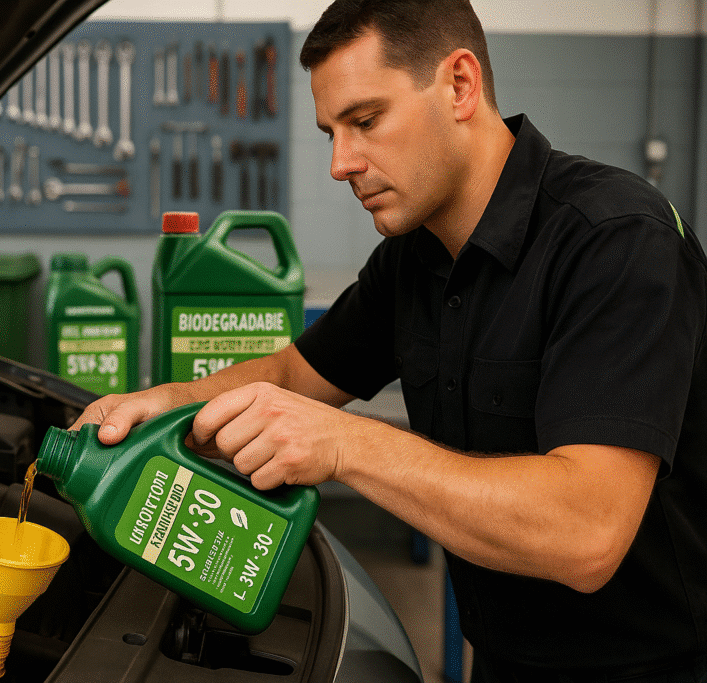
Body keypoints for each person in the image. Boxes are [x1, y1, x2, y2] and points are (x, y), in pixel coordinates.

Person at [72, 0, 707, 680]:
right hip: (503, 660)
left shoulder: (614, 240)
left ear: (459, 85)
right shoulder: (415, 254)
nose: (341, 163)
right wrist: (171, 400)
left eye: (366, 121)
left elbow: (586, 532)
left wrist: (344, 443)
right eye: (330, 134)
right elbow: (294, 373)